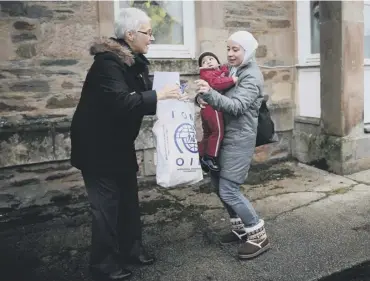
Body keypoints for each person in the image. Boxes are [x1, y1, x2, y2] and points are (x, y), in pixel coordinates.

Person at [70, 7, 184, 281]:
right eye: (148, 32)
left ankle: (131, 249)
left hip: (119, 144)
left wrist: (172, 95)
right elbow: (121, 102)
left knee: (128, 201)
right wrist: (158, 95)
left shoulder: (135, 62)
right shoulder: (107, 64)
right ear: (130, 34)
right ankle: (103, 265)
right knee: (106, 208)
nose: (152, 38)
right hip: (96, 148)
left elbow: (141, 99)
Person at [195, 31, 270, 259]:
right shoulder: (234, 70)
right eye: (228, 49)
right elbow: (218, 91)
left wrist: (209, 94)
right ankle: (240, 229)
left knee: (229, 189)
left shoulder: (252, 76)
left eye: (235, 49)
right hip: (223, 138)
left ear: (247, 50)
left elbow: (237, 106)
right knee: (218, 185)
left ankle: (258, 235)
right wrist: (201, 96)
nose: (229, 54)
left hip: (239, 139)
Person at [196, 52, 237, 172]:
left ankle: (201, 155)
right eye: (204, 61)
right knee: (218, 132)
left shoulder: (222, 71)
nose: (208, 61)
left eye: (211, 58)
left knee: (208, 133)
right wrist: (233, 80)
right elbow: (217, 84)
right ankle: (210, 157)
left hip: (208, 108)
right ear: (202, 66)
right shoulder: (207, 73)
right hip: (212, 107)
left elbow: (224, 71)